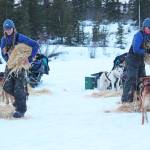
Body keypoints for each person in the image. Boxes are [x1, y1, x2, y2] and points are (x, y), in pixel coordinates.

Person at [0, 19, 39, 118]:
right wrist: (8, 60)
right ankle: (20, 99)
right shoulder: (3, 40)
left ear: (13, 28)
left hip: (20, 65)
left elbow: (35, 45)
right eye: (6, 28)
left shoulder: (19, 37)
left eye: (9, 28)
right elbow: (3, 53)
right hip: (10, 65)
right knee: (7, 86)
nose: (8, 30)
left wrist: (29, 58)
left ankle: (20, 110)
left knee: (18, 87)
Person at [121, 18, 150, 103]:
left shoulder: (148, 36)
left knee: (143, 79)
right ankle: (125, 99)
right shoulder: (138, 35)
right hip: (132, 59)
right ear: (144, 27)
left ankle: (140, 98)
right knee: (131, 78)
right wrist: (146, 51)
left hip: (140, 59)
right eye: (149, 28)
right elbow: (136, 49)